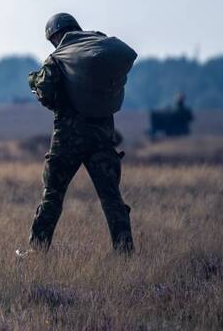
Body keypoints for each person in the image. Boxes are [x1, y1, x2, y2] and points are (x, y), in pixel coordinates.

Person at [18, 13, 135, 255]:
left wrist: (41, 89)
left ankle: (37, 253)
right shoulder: (94, 49)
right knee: (111, 198)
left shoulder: (59, 58)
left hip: (67, 139)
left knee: (52, 197)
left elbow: (46, 92)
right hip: (103, 136)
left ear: (55, 35)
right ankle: (125, 254)